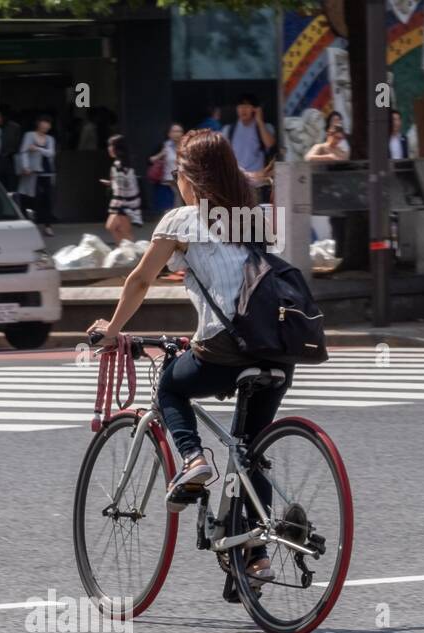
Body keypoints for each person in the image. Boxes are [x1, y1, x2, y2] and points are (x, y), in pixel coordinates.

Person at [87, 128, 291, 586]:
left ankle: (194, 461)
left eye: (179, 171)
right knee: (250, 449)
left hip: (226, 347)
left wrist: (111, 331)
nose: (176, 180)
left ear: (192, 178)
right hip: (279, 349)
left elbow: (140, 280)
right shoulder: (258, 217)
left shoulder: (181, 221)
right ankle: (255, 558)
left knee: (171, 385)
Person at [17, 114, 56, 237]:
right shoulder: (29, 135)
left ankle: (47, 225)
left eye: (48, 123)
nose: (45, 126)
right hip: (32, 172)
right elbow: (23, 152)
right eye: (43, 123)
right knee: (31, 198)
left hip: (47, 172)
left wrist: (38, 149)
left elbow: (50, 153)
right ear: (38, 123)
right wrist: (25, 166)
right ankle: (29, 224)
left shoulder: (50, 139)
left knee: (47, 199)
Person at [101, 134, 141, 244]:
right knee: (117, 228)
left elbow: (127, 185)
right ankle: (125, 253)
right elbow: (124, 183)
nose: (109, 148)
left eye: (111, 146)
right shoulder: (120, 165)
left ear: (118, 149)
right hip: (123, 202)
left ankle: (131, 256)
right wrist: (111, 183)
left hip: (124, 203)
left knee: (119, 229)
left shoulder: (120, 166)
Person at [149, 123, 183, 211]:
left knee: (179, 209)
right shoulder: (164, 146)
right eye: (174, 131)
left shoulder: (185, 146)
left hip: (181, 182)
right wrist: (161, 154)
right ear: (169, 134)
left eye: (179, 131)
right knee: (168, 210)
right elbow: (150, 160)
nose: (177, 133)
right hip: (167, 183)